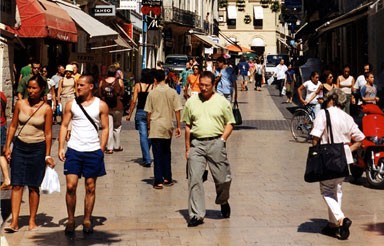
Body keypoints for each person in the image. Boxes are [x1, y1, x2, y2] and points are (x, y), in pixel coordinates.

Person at [182, 71, 235, 227]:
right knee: (195, 179)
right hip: (196, 144)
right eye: (201, 85)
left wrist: (222, 140)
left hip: (216, 143)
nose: (203, 88)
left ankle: (223, 200)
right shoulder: (191, 102)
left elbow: (230, 123)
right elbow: (187, 126)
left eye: (207, 85)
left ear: (213, 85)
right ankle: (196, 214)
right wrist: (187, 148)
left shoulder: (222, 102)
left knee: (223, 178)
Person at [310, 88, 364, 240]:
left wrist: (315, 154)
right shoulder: (347, 117)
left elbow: (315, 136)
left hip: (328, 159)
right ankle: (333, 226)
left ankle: (341, 219)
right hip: (344, 161)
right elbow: (360, 139)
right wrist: (347, 150)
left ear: (331, 99)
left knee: (326, 190)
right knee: (337, 190)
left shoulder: (323, 114)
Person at [58, 75, 109, 235]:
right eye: (76, 85)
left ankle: (87, 218)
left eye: (81, 85)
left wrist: (102, 147)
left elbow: (105, 127)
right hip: (74, 149)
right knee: (71, 186)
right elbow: (64, 125)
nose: (77, 88)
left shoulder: (101, 105)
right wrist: (61, 147)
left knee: (90, 187)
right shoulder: (71, 104)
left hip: (93, 150)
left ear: (91, 86)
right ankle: (71, 219)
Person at [3, 75, 55, 232]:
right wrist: (7, 146)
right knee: (17, 184)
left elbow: (47, 133)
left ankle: (32, 220)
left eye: (34, 88)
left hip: (37, 148)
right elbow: (12, 126)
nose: (31, 91)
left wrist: (47, 154)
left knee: (33, 186)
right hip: (19, 147)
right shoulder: (20, 104)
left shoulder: (46, 109)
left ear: (41, 90)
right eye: (29, 87)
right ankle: (14, 221)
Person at [144, 69, 182, 189]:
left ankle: (158, 180)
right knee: (166, 152)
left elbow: (148, 112)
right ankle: (168, 177)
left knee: (157, 154)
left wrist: (148, 126)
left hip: (155, 126)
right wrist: (178, 126)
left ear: (155, 79)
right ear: (165, 78)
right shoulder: (172, 92)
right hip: (167, 125)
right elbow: (177, 110)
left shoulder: (152, 93)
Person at [126, 69, 154, 167]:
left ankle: (146, 158)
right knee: (150, 135)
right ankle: (146, 156)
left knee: (143, 136)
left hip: (141, 112)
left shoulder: (138, 85)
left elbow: (134, 101)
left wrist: (129, 114)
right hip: (151, 112)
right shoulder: (153, 86)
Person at [98, 65, 125, 154]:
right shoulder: (119, 81)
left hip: (106, 107)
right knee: (117, 127)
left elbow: (100, 94)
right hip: (118, 106)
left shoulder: (102, 82)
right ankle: (117, 146)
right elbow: (123, 93)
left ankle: (109, 147)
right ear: (115, 73)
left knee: (108, 127)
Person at [58, 64, 77, 141]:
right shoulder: (62, 80)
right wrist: (58, 99)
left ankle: (68, 132)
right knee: (64, 115)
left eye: (70, 71)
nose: (68, 73)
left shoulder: (74, 79)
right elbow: (59, 89)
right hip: (64, 98)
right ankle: (64, 132)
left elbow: (76, 90)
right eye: (67, 71)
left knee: (70, 115)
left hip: (71, 97)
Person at [0, 91, 11, 190]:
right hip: (2, 125)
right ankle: (7, 179)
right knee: (0, 154)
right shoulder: (2, 95)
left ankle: (7, 180)